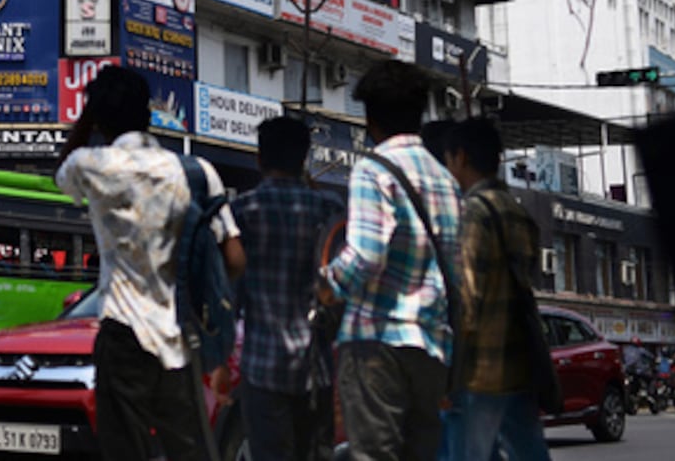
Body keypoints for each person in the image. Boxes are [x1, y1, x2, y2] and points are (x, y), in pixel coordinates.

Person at [55, 65, 245, 461]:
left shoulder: (92, 165)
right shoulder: (197, 172)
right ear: (148, 113)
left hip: (123, 336)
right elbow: (235, 258)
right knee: (188, 448)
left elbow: (63, 168)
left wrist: (88, 115)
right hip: (179, 336)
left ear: (100, 119)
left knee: (125, 448)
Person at [321, 60, 462, 461]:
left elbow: (365, 255)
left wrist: (327, 284)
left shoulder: (372, 170)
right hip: (431, 346)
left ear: (371, 120)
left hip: (376, 344)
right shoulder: (446, 181)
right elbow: (457, 270)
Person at [231, 116, 345, 461]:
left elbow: (231, 295)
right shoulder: (328, 209)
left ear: (260, 159)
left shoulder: (242, 211)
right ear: (304, 159)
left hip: (262, 368)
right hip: (318, 368)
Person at [441, 117, 551, 461]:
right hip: (520, 363)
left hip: (481, 369)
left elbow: (467, 297)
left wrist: (450, 371)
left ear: (460, 157)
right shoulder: (517, 213)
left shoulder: (474, 213)